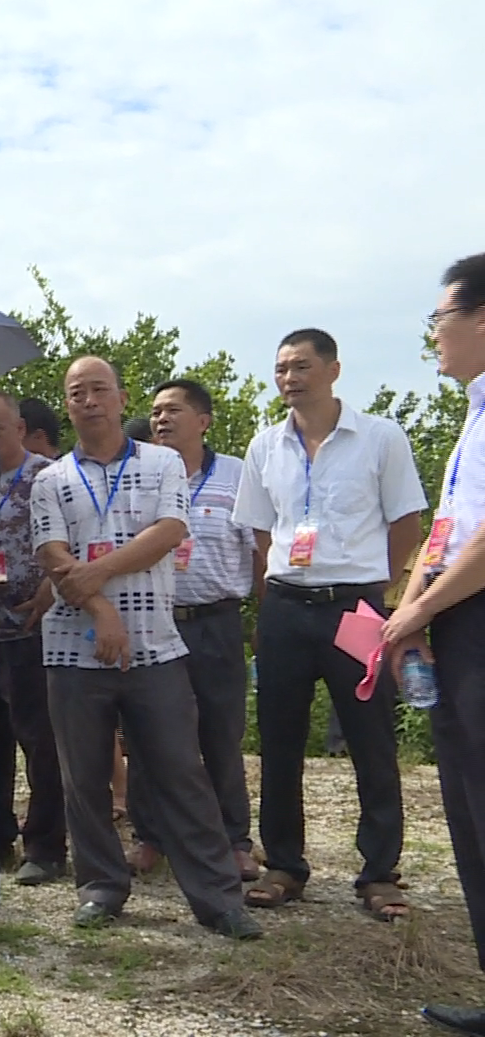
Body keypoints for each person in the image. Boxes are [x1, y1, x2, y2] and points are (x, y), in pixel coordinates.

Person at [30, 356, 260, 940]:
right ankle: (102, 886)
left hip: (155, 643)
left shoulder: (162, 464)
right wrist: (100, 606)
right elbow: (51, 553)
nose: (88, 400)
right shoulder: (50, 479)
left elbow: (169, 532)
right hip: (71, 647)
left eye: (99, 390)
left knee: (180, 769)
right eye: (76, 392)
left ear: (119, 396)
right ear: (68, 404)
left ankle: (217, 898)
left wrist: (93, 575)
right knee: (82, 776)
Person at [233, 329, 425, 919]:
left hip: (357, 604)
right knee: (280, 741)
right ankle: (285, 866)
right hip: (288, 604)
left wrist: (381, 591)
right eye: (282, 367)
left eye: (302, 366)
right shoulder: (266, 446)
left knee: (371, 739)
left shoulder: (379, 438)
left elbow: (407, 521)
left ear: (334, 370)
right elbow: (262, 534)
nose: (291, 377)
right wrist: (269, 604)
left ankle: (379, 872)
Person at [383, 254, 485, 1035]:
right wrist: (407, 609)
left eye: (439, 320)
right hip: (454, 623)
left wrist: (421, 611)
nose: (435, 339)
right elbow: (448, 534)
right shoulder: (472, 418)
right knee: (467, 809)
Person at [127, 380, 262, 882]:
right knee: (147, 733)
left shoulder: (236, 475)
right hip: (151, 620)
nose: (161, 419)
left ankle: (234, 840)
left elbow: (261, 551)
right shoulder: (139, 473)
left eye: (174, 410)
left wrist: (261, 621)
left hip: (215, 621)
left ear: (203, 421)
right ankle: (150, 837)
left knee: (221, 733)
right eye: (155, 410)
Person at [0, 391, 66, 887]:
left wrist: (53, 586)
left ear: (21, 429)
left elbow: (75, 537)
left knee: (41, 742)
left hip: (33, 628)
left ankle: (45, 846)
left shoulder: (50, 476)